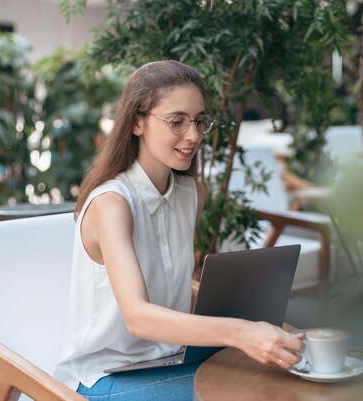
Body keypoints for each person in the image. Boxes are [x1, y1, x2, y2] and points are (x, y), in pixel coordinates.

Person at [54, 60, 304, 401]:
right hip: (109, 376)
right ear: (137, 122)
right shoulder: (112, 203)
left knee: (287, 365)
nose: (194, 135)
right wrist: (240, 331)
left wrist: (251, 313)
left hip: (171, 354)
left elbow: (173, 282)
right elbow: (138, 317)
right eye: (177, 122)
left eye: (199, 121)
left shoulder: (191, 194)